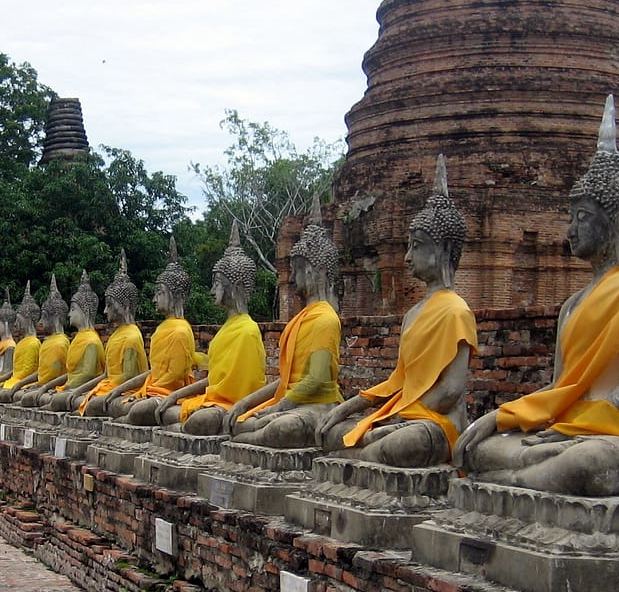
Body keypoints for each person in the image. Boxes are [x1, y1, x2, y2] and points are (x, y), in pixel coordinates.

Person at [453, 96, 619, 506]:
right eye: (570, 217)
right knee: (482, 448)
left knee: (589, 464)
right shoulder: (572, 305)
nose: (570, 229)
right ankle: (524, 477)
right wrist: (501, 417)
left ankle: (513, 486)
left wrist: (573, 428)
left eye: (582, 217)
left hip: (611, 436)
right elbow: (559, 387)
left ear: (618, 222)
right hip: (565, 427)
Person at [318, 156, 477, 466]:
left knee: (393, 444)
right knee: (337, 434)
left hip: (437, 422)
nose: (406, 257)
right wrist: (344, 409)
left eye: (415, 246)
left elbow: (450, 390)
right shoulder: (413, 314)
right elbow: (397, 382)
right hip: (407, 414)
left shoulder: (457, 312)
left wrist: (397, 418)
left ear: (442, 249)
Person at [228, 200, 343, 447]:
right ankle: (247, 439)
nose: (291, 277)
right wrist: (246, 403)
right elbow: (287, 381)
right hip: (294, 403)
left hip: (317, 406)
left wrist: (276, 409)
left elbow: (317, 380)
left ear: (314, 270)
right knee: (245, 422)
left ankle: (246, 441)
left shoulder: (325, 319)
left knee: (278, 428)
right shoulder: (301, 319)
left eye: (297, 269)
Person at [156, 223, 266, 434]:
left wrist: (241, 406)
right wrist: (175, 395)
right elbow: (215, 380)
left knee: (201, 419)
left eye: (217, 284)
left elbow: (247, 387)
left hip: (230, 406)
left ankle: (181, 429)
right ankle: (180, 427)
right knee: (173, 410)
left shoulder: (248, 330)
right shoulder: (226, 329)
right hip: (213, 401)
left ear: (234, 287)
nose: (211, 290)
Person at [113, 239, 201, 423]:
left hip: (169, 393)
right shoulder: (162, 329)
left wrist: (153, 393)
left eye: (159, 293)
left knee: (137, 409)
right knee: (119, 404)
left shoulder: (180, 331)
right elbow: (154, 372)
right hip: (153, 390)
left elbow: (175, 377)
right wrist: (119, 390)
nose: (154, 299)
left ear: (175, 295)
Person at [80, 253, 147, 416]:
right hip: (109, 388)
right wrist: (79, 391)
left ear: (125, 305)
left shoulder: (131, 336)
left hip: (126, 392)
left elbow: (130, 375)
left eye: (110, 305)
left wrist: (112, 391)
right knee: (80, 400)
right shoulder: (115, 336)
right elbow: (106, 375)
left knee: (94, 403)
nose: (105, 311)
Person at [45, 273, 106, 412]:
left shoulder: (91, 341)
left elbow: (89, 374)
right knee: (49, 398)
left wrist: (68, 388)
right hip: (72, 387)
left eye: (73, 310)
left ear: (85, 310)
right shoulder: (77, 339)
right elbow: (71, 373)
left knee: (55, 400)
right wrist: (47, 386)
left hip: (87, 389)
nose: (69, 314)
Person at [15, 277, 71, 406]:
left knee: (26, 398)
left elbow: (63, 375)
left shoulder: (61, 343)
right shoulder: (46, 342)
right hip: (42, 386)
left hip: (56, 388)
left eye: (44, 316)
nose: (40, 321)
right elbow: (40, 373)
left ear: (56, 318)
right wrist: (23, 383)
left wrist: (43, 386)